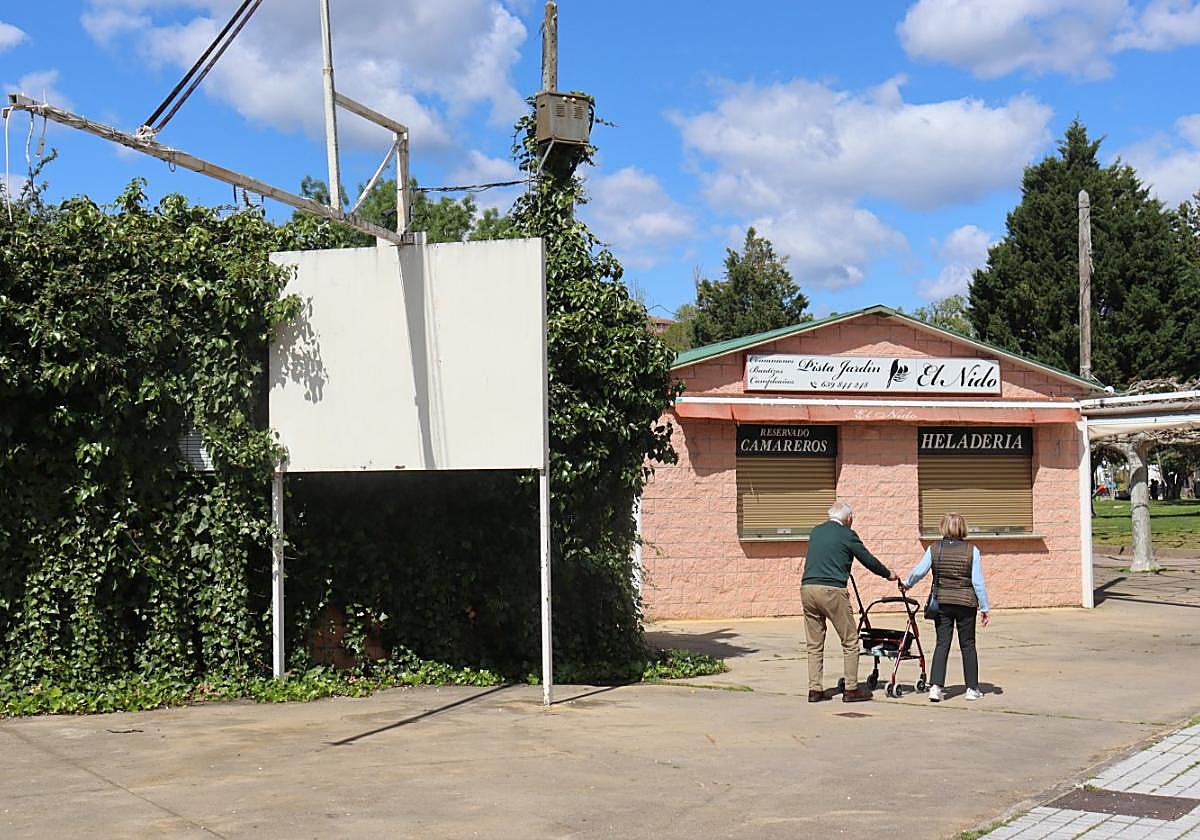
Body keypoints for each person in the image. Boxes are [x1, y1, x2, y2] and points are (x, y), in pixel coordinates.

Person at [802, 501, 898, 703]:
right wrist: (888, 574)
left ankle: (815, 689)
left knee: (814, 643)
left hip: (808, 589)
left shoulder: (816, 531)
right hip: (832, 591)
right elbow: (867, 559)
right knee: (850, 640)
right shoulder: (847, 534)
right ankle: (851, 689)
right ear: (848, 519)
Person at [902, 512, 990, 702]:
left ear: (943, 527)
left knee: (942, 643)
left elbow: (919, 571)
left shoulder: (935, 548)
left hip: (942, 602)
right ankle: (972, 689)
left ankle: (935, 687)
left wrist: (908, 584)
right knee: (968, 645)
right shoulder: (971, 550)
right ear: (963, 528)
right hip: (966, 603)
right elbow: (978, 582)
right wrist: (984, 607)